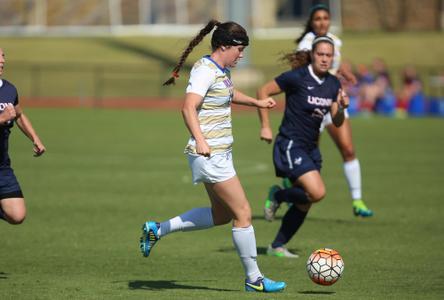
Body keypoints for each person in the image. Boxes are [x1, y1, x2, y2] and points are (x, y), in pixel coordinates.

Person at [139, 20, 286, 293]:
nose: (241, 55)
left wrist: (255, 102)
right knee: (242, 212)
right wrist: (202, 140)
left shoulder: (219, 69)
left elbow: (227, 94)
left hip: (218, 154)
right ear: (224, 46)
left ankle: (157, 229)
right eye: (239, 49)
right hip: (210, 154)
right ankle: (254, 279)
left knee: (221, 216)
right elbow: (188, 108)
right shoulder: (205, 70)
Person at [264, 4, 373, 224]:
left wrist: (344, 72)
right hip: (311, 105)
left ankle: (357, 200)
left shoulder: (335, 40)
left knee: (348, 148)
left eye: (325, 18)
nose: (322, 22)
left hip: (333, 100)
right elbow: (305, 73)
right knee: (307, 157)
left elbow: (332, 66)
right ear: (312, 22)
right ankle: (288, 192)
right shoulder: (307, 43)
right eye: (318, 19)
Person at [257, 36, 349, 258]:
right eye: (321, 54)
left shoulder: (333, 84)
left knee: (306, 200)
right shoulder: (297, 77)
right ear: (312, 55)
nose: (325, 59)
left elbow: (336, 122)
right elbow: (263, 91)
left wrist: (341, 109)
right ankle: (278, 196)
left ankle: (277, 246)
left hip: (311, 148)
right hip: (290, 143)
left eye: (329, 55)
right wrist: (266, 127)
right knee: (317, 192)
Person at [0, 48, 46, 225]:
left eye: (3, 56)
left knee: (17, 215)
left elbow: (18, 114)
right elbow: (6, 116)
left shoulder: (9, 89)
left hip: (2, 166)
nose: (2, 61)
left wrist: (35, 137)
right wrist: (2, 118)